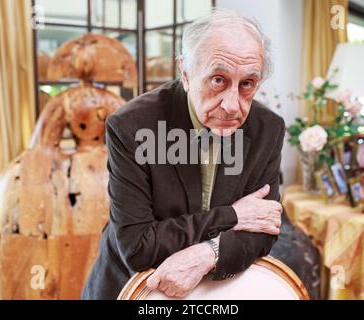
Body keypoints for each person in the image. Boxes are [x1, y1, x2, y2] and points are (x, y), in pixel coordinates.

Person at [82, 9, 284, 299]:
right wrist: (233, 215)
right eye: (218, 79)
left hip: (214, 292)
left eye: (247, 84)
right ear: (186, 73)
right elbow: (138, 247)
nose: (232, 105)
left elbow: (263, 230)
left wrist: (208, 254)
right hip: (133, 287)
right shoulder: (130, 127)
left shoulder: (268, 128)